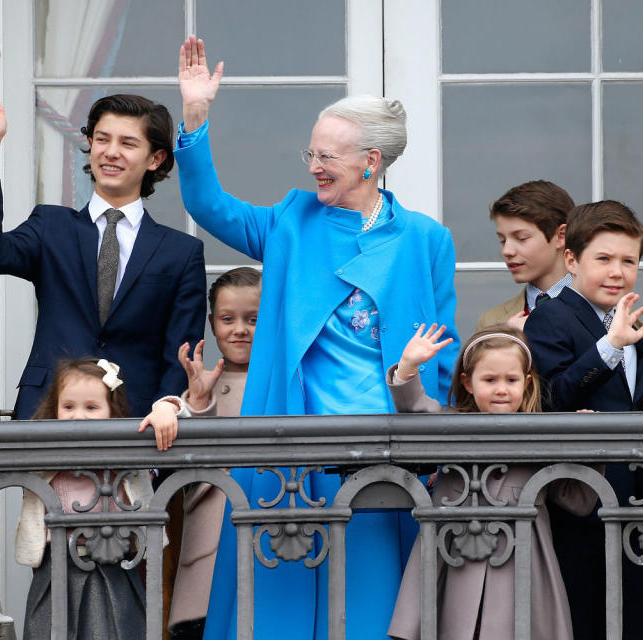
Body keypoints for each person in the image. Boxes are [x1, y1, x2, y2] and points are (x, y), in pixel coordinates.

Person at [175, 36, 459, 639]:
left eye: (327, 155)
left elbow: (443, 351)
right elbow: (208, 203)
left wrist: (432, 443)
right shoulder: (290, 222)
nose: (314, 166)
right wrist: (196, 116)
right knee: (274, 613)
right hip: (289, 448)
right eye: (311, 152)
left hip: (385, 460)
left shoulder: (425, 240)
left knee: (369, 614)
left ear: (371, 161)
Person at [0, 79, 207, 418]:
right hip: (47, 413)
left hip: (136, 425)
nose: (111, 151)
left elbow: (181, 353)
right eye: (101, 139)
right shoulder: (51, 225)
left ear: (155, 158)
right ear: (90, 145)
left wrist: (168, 406)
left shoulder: (181, 253)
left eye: (128, 143)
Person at [0, 346, 173, 639]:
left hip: (117, 570)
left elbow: (178, 424)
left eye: (91, 407)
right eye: (69, 406)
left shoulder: (129, 451)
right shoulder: (43, 454)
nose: (79, 416)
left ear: (112, 410)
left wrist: (166, 408)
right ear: (56, 409)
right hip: (57, 571)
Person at [385, 324, 597, 640]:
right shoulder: (451, 425)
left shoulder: (542, 434)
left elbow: (577, 501)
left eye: (511, 380)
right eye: (489, 380)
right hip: (456, 552)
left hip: (522, 560)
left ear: (526, 384)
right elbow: (417, 411)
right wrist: (409, 368)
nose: (501, 389)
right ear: (467, 383)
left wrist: (590, 445)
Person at [522, 200, 643, 640]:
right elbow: (552, 397)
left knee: (631, 617)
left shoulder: (629, 327)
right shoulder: (549, 316)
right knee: (584, 617)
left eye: (629, 260)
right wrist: (609, 346)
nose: (617, 271)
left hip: (632, 501)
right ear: (572, 260)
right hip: (579, 498)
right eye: (604, 259)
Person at [144, 267, 261, 640]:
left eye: (253, 319)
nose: (239, 329)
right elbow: (181, 423)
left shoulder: (283, 382)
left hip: (269, 549)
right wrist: (185, 402)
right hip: (207, 560)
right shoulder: (201, 383)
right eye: (228, 319)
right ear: (212, 324)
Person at [475, 181, 574, 332]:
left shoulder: (610, 311)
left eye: (522, 238)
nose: (507, 251)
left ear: (561, 236)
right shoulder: (491, 322)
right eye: (502, 240)